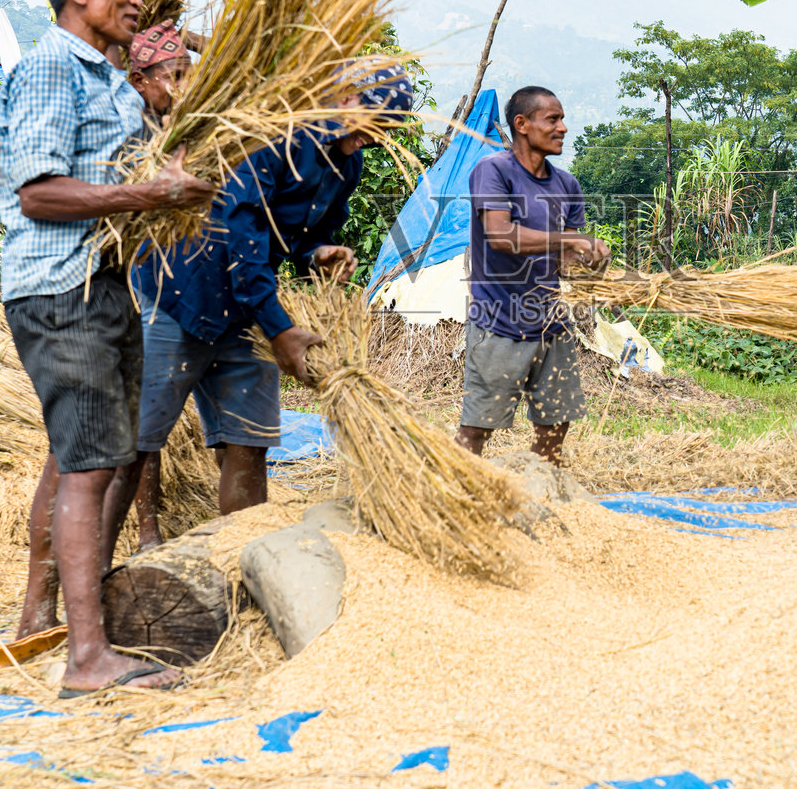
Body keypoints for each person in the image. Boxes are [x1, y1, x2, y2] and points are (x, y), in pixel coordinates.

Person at [0, 0, 213, 697]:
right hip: (61, 289)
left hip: (102, 286)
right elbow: (41, 192)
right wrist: (152, 191)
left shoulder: (104, 81)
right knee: (86, 469)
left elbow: (121, 186)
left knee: (102, 458)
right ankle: (87, 660)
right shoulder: (53, 69)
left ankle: (83, 635)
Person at [103, 67, 416, 556]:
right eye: (372, 123)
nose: (369, 140)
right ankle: (146, 539)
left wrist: (321, 253)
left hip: (248, 307)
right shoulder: (273, 139)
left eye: (383, 135)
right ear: (346, 98)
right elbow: (240, 238)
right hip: (181, 293)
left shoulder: (347, 164)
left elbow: (306, 238)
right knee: (145, 434)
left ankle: (245, 549)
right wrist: (281, 329)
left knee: (250, 438)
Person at [454, 86, 609, 466]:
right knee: (478, 428)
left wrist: (592, 265)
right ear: (522, 124)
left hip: (552, 327)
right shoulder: (493, 171)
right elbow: (502, 236)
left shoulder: (566, 185)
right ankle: (454, 496)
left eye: (562, 119)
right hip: (499, 325)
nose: (563, 128)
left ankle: (544, 489)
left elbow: (565, 263)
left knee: (556, 423)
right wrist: (573, 238)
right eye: (552, 119)